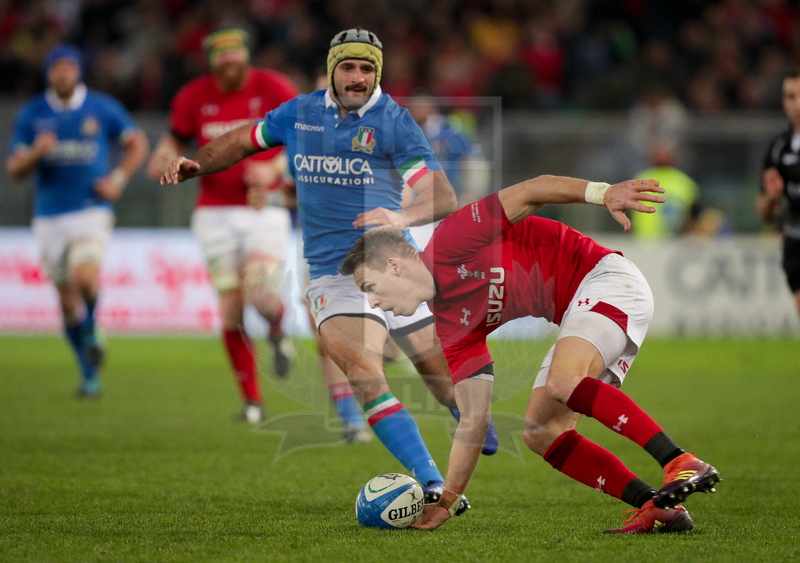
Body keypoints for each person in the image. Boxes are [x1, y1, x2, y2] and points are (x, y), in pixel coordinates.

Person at [160, 28, 501, 513]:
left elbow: (442, 195)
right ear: (332, 69)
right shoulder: (299, 113)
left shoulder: (393, 121)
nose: (357, 77)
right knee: (365, 374)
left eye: (367, 68)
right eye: (348, 67)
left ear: (377, 73)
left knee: (437, 374)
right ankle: (432, 483)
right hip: (330, 272)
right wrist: (199, 164)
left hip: (392, 265)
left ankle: (465, 411)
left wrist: (401, 217)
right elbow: (243, 140)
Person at [341, 176, 722, 534]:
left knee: (563, 381)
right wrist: (448, 499)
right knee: (541, 431)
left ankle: (680, 461)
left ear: (394, 265)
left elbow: (533, 190)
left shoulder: (451, 239)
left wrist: (602, 193)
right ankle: (658, 506)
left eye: (370, 287)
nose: (373, 302)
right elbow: (474, 420)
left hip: (605, 279)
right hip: (580, 310)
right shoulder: (450, 326)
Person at [146, 29, 298, 423]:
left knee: (261, 296)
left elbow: (304, 138)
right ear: (210, 59)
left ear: (247, 54)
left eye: (235, 53)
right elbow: (173, 141)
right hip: (213, 214)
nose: (229, 60)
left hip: (265, 210)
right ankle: (252, 402)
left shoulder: (274, 87)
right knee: (230, 310)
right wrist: (164, 158)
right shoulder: (193, 96)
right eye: (221, 55)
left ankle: (277, 330)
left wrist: (274, 168)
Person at [6, 45, 148, 398]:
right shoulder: (33, 113)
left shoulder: (101, 107)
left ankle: (92, 327)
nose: (63, 72)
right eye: (57, 67)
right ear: (48, 73)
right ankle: (89, 375)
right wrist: (35, 153)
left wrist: (118, 179)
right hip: (49, 215)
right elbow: (14, 169)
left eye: (69, 66)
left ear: (79, 71)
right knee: (67, 303)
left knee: (84, 277)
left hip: (91, 209)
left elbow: (137, 143)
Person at [758, 68, 800, 319]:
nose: (798, 104)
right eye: (791, 97)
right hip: (796, 239)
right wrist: (772, 196)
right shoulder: (778, 149)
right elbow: (766, 214)